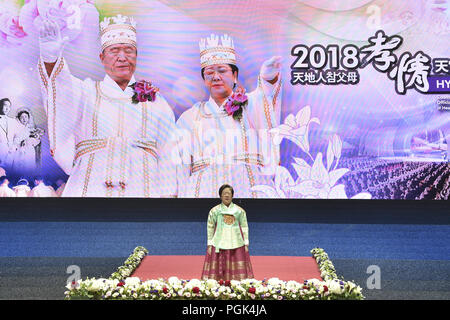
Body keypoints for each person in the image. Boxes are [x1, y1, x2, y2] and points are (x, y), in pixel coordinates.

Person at [37, 15, 178, 197]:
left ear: (136, 55)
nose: (122, 57)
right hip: (89, 189)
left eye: (128, 50)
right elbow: (61, 89)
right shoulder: (86, 92)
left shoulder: (156, 102)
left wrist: (169, 196)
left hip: (144, 191)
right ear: (102, 58)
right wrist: (51, 58)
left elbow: (169, 154)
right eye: (114, 50)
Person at [176, 34, 282, 198]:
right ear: (204, 79)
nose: (216, 77)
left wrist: (268, 77)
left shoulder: (249, 105)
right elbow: (180, 167)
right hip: (203, 192)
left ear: (235, 76)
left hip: (248, 189)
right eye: (210, 72)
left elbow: (266, 96)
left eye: (222, 71)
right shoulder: (190, 117)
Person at [201, 184, 254, 281]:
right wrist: (209, 242)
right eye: (224, 193)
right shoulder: (215, 211)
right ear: (220, 196)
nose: (226, 195)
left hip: (236, 242)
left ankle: (237, 283)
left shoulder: (239, 211)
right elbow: (210, 227)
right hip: (219, 242)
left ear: (232, 196)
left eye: (229, 193)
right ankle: (216, 283)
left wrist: (246, 241)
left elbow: (244, 226)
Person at [0, 98, 21, 169]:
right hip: (1, 151)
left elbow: (17, 136)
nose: (7, 108)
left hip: (11, 152)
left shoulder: (13, 121)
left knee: (9, 174)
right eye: (5, 105)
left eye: (9, 106)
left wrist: (14, 146)